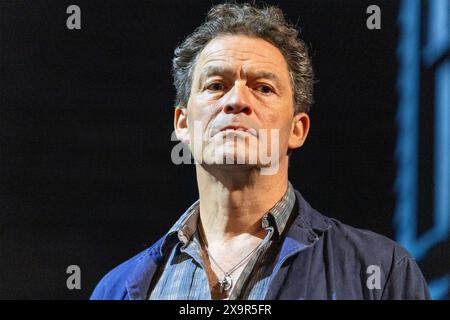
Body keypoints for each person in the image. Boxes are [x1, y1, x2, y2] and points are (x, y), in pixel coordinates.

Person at [91, 2, 430, 300]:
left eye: (263, 88)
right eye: (216, 85)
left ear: (297, 129)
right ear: (183, 123)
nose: (237, 101)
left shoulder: (380, 272)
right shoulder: (117, 289)